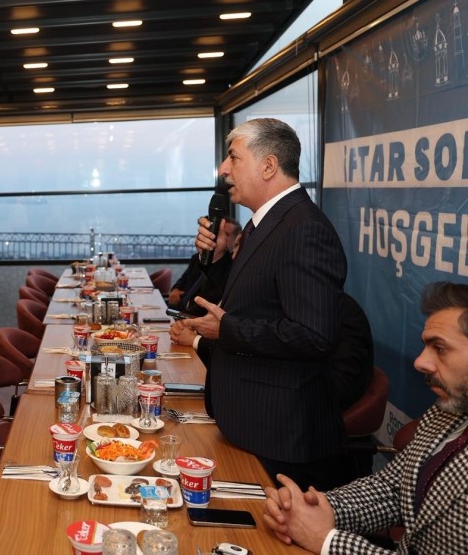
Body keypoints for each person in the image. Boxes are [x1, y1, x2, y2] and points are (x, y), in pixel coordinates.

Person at [186, 118, 352, 491]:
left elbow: (315, 334)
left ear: (268, 166)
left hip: (284, 434)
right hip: (251, 421)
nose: (224, 169)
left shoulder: (303, 228)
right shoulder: (265, 223)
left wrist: (225, 329)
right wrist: (219, 261)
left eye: (233, 158)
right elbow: (255, 298)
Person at [263, 281, 468, 555]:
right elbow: (393, 489)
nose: (420, 361)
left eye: (439, 348)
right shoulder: (449, 409)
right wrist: (314, 507)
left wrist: (327, 541)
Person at [166, 216, 241, 317]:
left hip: (194, 317)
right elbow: (183, 279)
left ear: (236, 239)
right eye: (218, 233)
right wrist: (175, 289)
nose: (220, 237)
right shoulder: (197, 258)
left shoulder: (232, 268)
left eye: (226, 234)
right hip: (180, 309)